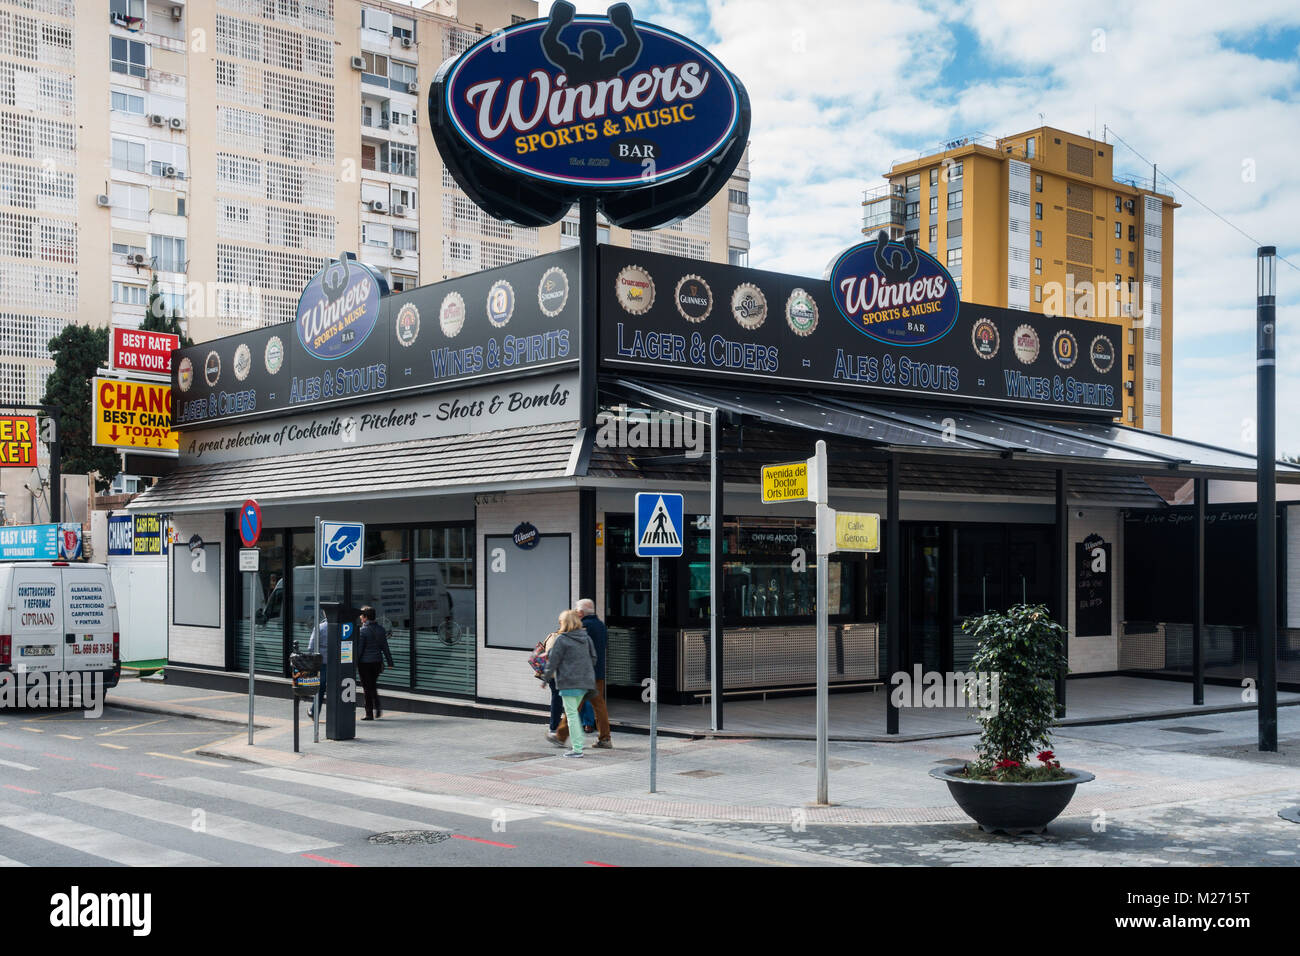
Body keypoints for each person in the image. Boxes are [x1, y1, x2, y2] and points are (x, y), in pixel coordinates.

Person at [556, 598, 612, 748]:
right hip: (599, 672)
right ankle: (605, 738)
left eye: (576, 609)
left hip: (583, 675)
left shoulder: (583, 627)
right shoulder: (601, 625)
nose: (574, 611)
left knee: (573, 706)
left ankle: (561, 736)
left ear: (580, 612)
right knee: (599, 705)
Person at [540, 609, 596, 758]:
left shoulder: (562, 639)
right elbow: (594, 658)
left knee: (571, 715)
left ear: (564, 623)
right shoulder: (586, 638)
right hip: (585, 682)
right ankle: (579, 742)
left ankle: (577, 749)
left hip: (569, 683)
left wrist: (545, 679)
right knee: (573, 714)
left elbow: (553, 662)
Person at [355, 605, 394, 721]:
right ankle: (377, 707)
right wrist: (390, 662)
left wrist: (354, 663)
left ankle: (369, 713)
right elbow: (385, 647)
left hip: (365, 664)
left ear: (366, 617)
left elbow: (360, 650)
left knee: (367, 688)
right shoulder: (381, 629)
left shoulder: (363, 631)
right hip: (377, 663)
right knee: (372, 685)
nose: (361, 618)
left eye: (362, 616)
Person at [306, 614, 328, 720]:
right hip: (337, 663)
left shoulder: (319, 627)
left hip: (322, 662)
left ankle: (314, 712)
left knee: (321, 688)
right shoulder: (341, 627)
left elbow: (311, 647)